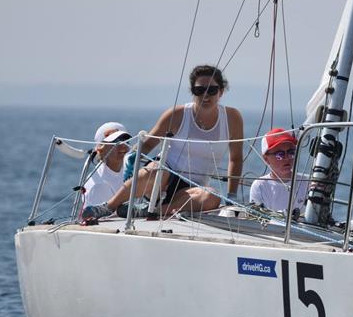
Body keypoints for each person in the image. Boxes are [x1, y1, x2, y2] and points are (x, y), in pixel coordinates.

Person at [82, 65, 244, 219]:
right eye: (199, 90)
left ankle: (151, 211)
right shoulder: (177, 114)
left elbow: (235, 158)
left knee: (212, 196)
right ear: (192, 92)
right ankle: (107, 207)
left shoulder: (232, 118)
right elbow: (146, 145)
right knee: (157, 169)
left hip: (190, 190)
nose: (205, 95)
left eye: (212, 90)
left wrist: (231, 195)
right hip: (163, 179)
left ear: (221, 92)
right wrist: (132, 158)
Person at [249, 128, 309, 213]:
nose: (287, 158)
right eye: (279, 155)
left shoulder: (307, 182)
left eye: (291, 152)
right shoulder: (260, 186)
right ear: (266, 159)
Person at [83, 122, 131, 208]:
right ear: (100, 149)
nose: (123, 146)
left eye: (125, 140)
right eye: (116, 142)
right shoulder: (99, 186)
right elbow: (101, 220)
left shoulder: (128, 171)